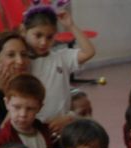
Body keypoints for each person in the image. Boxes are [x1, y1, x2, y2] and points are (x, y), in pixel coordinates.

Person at [21, 3, 96, 132]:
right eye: (38, 35)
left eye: (49, 37)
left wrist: (70, 26)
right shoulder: (23, 62)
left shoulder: (61, 58)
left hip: (62, 125)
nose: (43, 42)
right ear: (24, 32)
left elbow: (89, 52)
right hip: (35, 127)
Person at [0, 74, 54, 148]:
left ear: (39, 107)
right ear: (7, 103)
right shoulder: (2, 139)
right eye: (17, 107)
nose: (23, 114)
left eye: (30, 109)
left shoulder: (46, 132)